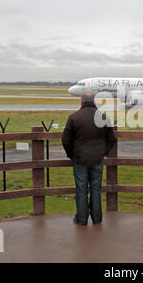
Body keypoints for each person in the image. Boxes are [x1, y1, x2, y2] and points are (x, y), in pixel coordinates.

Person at [62, 93, 116, 226]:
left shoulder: (73, 117)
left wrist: (71, 155)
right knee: (96, 188)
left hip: (80, 159)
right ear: (94, 103)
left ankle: (81, 219)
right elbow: (111, 139)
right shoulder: (103, 117)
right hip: (97, 158)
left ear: (81, 103)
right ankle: (97, 219)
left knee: (81, 189)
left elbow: (65, 140)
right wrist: (103, 153)